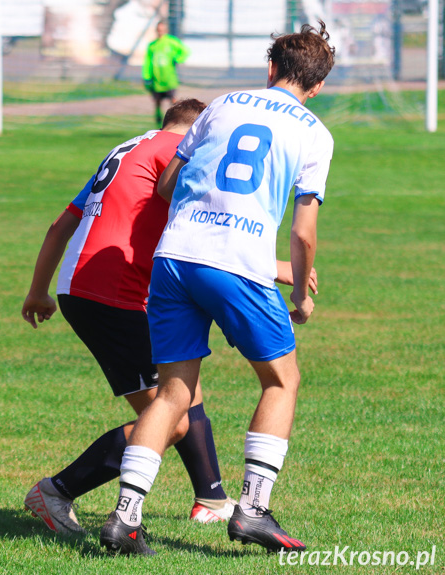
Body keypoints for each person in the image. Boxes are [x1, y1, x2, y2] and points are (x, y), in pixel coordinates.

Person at [99, 21, 335, 555]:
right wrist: (300, 294)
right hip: (238, 262)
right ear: (317, 86)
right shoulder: (315, 134)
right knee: (281, 380)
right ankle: (251, 511)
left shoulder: (223, 104)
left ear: (270, 67)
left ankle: (124, 518)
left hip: (175, 258)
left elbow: (165, 183)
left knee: (174, 392)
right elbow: (302, 231)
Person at [21, 99, 237, 536]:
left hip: (82, 286)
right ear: (196, 132)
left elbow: (60, 226)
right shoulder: (177, 156)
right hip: (113, 295)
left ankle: (211, 499)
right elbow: (209, 229)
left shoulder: (127, 150)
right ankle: (56, 491)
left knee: (183, 388)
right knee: (170, 420)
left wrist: (39, 290)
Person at [142, 21, 190, 128]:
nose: (160, 32)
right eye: (159, 30)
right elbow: (147, 62)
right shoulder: (152, 45)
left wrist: (178, 58)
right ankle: (159, 124)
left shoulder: (172, 42)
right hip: (157, 80)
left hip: (169, 79)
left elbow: (185, 51)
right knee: (157, 102)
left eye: (162, 30)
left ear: (166, 31)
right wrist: (147, 76)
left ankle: (176, 122)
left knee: (173, 102)